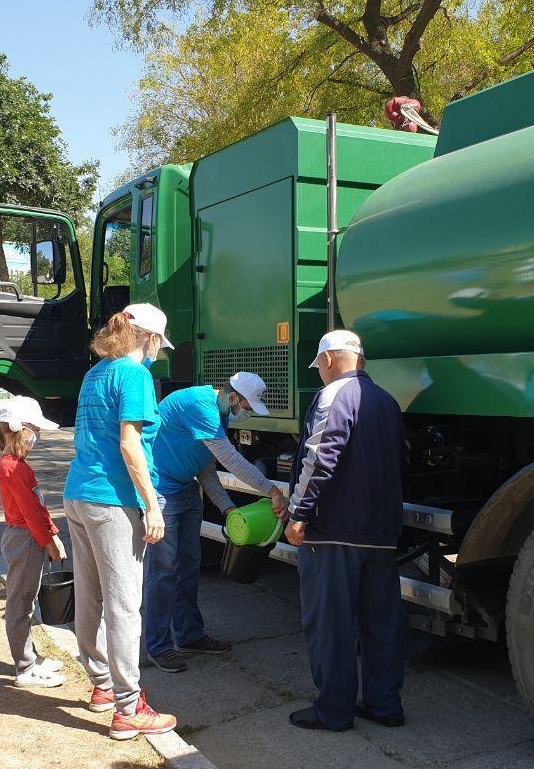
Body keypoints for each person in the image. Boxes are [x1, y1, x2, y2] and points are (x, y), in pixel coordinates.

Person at [63, 303, 177, 741]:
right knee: (125, 604)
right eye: (158, 346)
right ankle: (129, 708)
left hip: (79, 494)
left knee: (90, 597)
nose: (158, 354)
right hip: (114, 500)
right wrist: (152, 503)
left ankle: (102, 686)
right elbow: (130, 445)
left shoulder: (96, 373)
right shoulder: (135, 376)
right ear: (148, 338)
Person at [284, 330, 407, 731]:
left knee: (332, 623)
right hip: (382, 533)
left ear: (331, 359)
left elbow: (320, 457)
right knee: (381, 623)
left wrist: (299, 513)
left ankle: (334, 711)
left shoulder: (335, 395)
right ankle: (385, 705)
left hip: (334, 531)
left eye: (319, 364)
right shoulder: (387, 402)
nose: (320, 372)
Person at [144, 372, 288, 673]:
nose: (247, 414)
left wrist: (228, 509)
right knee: (163, 572)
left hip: (185, 491)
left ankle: (189, 635)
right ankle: (158, 646)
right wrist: (273, 490)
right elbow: (231, 461)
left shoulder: (221, 416)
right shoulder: (200, 404)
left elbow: (206, 471)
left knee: (189, 566)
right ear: (233, 396)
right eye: (247, 407)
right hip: (161, 492)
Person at [0, 396, 67, 689]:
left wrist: (53, 533)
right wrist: (49, 541)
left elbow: (38, 508)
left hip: (28, 536)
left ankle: (31, 657)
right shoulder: (12, 467)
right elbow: (29, 512)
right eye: (34, 429)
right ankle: (25, 668)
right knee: (20, 604)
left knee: (26, 600)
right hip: (24, 538)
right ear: (19, 429)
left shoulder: (19, 465)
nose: (36, 436)